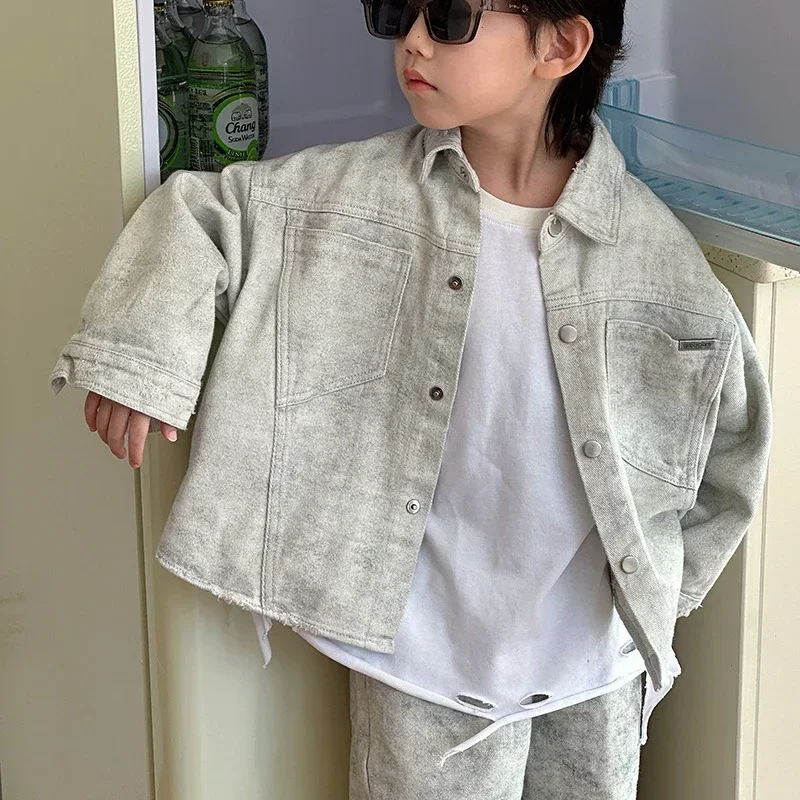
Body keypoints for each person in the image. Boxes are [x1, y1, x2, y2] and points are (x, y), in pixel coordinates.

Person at [49, 1, 773, 797]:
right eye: (398, 9)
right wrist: (142, 359)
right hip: (424, 651)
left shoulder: (656, 260)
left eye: (451, 16)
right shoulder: (351, 194)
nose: (413, 40)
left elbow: (730, 449)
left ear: (561, 45)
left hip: (598, 661)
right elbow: (202, 212)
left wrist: (661, 587)